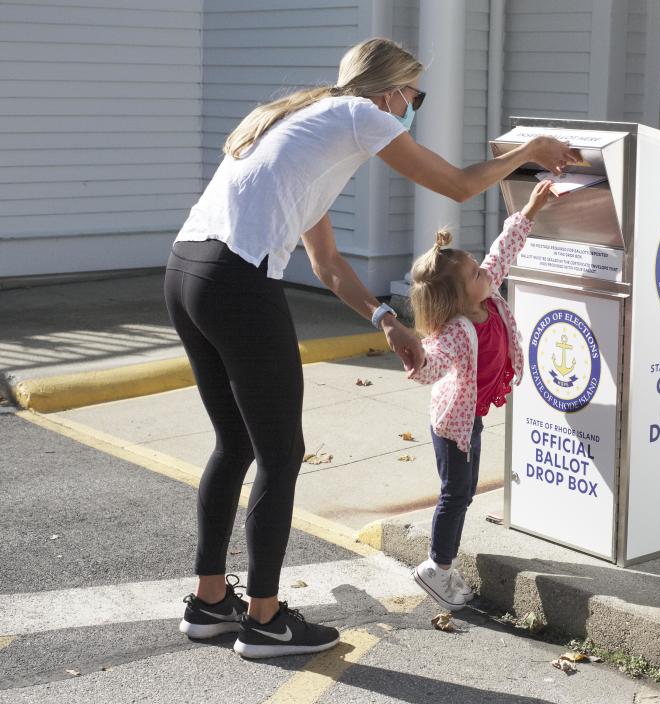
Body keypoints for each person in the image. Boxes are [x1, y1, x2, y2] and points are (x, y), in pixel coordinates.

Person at [165, 37, 578, 659]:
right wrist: (532, 152)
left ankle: (210, 603)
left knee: (238, 443)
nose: (412, 110)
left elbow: (328, 263)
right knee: (281, 453)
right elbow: (462, 185)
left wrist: (387, 318)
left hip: (186, 273)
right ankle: (266, 621)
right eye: (414, 97)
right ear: (391, 92)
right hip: (237, 282)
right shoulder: (360, 115)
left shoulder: (302, 126)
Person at [406, 179, 554, 610]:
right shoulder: (453, 332)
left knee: (463, 490)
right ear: (457, 295)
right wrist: (413, 356)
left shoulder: (487, 296)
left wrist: (530, 209)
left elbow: (503, 249)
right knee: (456, 492)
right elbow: (430, 366)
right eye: (474, 273)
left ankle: (442, 565)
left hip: (471, 418)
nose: (484, 272)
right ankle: (437, 567)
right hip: (453, 424)